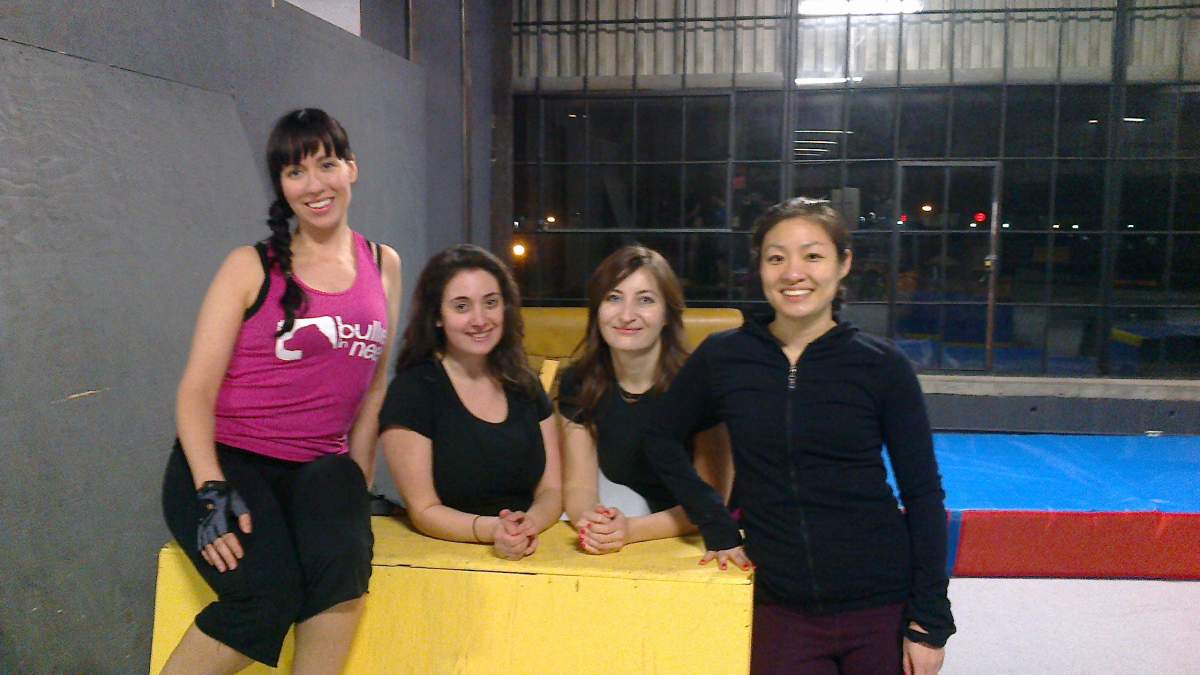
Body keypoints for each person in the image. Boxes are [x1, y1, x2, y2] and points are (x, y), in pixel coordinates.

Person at [644, 198, 955, 674]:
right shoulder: (725, 357)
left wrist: (929, 622)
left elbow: (924, 493)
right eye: (776, 257)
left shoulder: (881, 366)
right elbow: (662, 438)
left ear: (843, 264)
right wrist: (716, 522)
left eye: (812, 255)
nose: (794, 272)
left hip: (879, 604)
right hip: (781, 607)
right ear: (760, 268)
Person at [160, 108, 402, 673]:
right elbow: (196, 392)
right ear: (281, 186)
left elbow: (374, 383)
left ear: (351, 169)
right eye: (296, 172)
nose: (315, 184)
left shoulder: (383, 263)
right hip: (229, 463)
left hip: (320, 472)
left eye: (327, 164)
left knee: (341, 577)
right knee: (268, 597)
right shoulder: (249, 267)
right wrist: (210, 489)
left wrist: (357, 484)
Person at [379, 245, 562, 560]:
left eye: (490, 303)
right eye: (461, 306)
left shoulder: (525, 383)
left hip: (530, 551)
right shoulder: (413, 391)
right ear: (437, 316)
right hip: (446, 562)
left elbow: (552, 491)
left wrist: (527, 526)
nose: (480, 319)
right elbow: (424, 510)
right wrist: (494, 531)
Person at [557, 245, 732, 554]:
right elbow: (579, 487)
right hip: (650, 534)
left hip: (719, 538)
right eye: (613, 298)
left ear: (667, 314)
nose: (626, 315)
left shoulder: (703, 384)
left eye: (645, 300)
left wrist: (630, 531)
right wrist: (594, 524)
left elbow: (714, 498)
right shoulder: (580, 382)